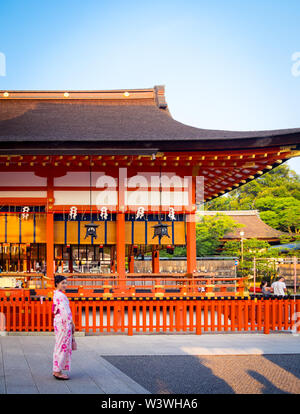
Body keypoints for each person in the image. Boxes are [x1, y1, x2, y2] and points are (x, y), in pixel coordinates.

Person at [52, 275, 75, 380]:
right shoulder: (60, 296)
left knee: (59, 345)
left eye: (66, 283)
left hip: (59, 322)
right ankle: (57, 371)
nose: (65, 285)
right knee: (62, 346)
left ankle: (57, 369)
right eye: (63, 283)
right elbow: (65, 312)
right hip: (63, 323)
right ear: (57, 283)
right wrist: (71, 323)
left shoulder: (56, 294)